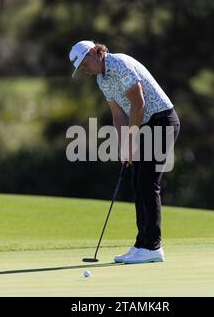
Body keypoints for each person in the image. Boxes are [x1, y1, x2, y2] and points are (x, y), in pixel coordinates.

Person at [69, 40, 180, 264]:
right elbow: (119, 115)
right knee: (138, 183)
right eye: (80, 67)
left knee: (148, 183)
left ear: (94, 52)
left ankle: (153, 246)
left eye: (84, 63)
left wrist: (131, 139)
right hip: (145, 125)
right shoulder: (102, 79)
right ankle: (142, 244)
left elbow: (138, 104)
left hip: (162, 121)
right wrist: (123, 146)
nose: (84, 69)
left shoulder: (118, 64)